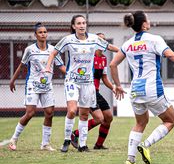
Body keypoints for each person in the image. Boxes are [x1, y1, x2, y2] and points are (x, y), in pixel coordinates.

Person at [110, 11, 174, 164]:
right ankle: (146, 145)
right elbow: (170, 55)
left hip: (135, 90)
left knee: (140, 123)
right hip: (152, 89)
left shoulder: (127, 44)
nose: (149, 21)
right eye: (148, 19)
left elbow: (113, 65)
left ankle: (130, 160)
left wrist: (117, 85)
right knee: (170, 120)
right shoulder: (154, 40)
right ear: (144, 24)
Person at [45, 15, 118, 152]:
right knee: (72, 110)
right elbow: (53, 53)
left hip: (88, 83)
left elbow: (109, 47)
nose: (82, 25)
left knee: (84, 115)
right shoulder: (68, 40)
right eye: (79, 23)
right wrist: (48, 66)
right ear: (73, 26)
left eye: (84, 23)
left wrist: (123, 51)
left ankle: (83, 145)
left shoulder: (94, 39)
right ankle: (67, 140)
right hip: (72, 80)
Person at [8, 23, 66, 151]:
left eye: (45, 32)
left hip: (47, 86)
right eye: (40, 32)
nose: (43, 34)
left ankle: (45, 144)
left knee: (50, 113)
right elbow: (21, 66)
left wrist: (70, 74)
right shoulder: (30, 50)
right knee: (30, 113)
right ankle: (13, 139)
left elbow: (60, 66)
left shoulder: (53, 50)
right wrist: (12, 80)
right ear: (35, 35)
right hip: (32, 85)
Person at [70, 33, 115, 150]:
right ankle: (75, 134)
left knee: (109, 117)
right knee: (100, 119)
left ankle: (98, 145)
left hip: (96, 92)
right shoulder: (89, 57)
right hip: (88, 90)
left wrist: (114, 88)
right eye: (100, 39)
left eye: (104, 40)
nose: (102, 42)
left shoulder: (104, 59)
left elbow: (104, 78)